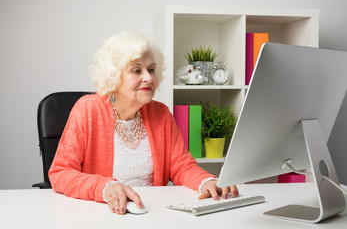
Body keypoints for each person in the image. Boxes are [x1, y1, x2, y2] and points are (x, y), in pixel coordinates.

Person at [48, 31, 239, 215]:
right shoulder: (88, 110)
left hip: (153, 213)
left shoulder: (161, 113)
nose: (148, 77)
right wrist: (105, 188)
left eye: (151, 70)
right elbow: (60, 172)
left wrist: (205, 181)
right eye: (137, 70)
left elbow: (181, 166)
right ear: (115, 76)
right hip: (101, 214)